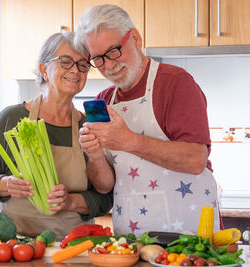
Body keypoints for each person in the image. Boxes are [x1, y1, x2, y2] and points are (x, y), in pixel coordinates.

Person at [74, 4, 222, 236]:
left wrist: (127, 141)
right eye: (99, 59)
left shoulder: (176, 83)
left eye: (113, 51)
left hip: (188, 236)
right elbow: (104, 185)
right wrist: (94, 156)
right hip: (132, 238)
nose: (109, 66)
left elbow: (195, 160)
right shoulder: (104, 101)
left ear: (135, 37)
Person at [0, 32, 113, 239]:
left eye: (82, 65)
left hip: (72, 247)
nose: (75, 70)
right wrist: (6, 184)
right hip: (16, 246)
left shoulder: (89, 126)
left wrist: (70, 201)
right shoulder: (12, 118)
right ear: (43, 70)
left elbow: (105, 198)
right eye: (65, 62)